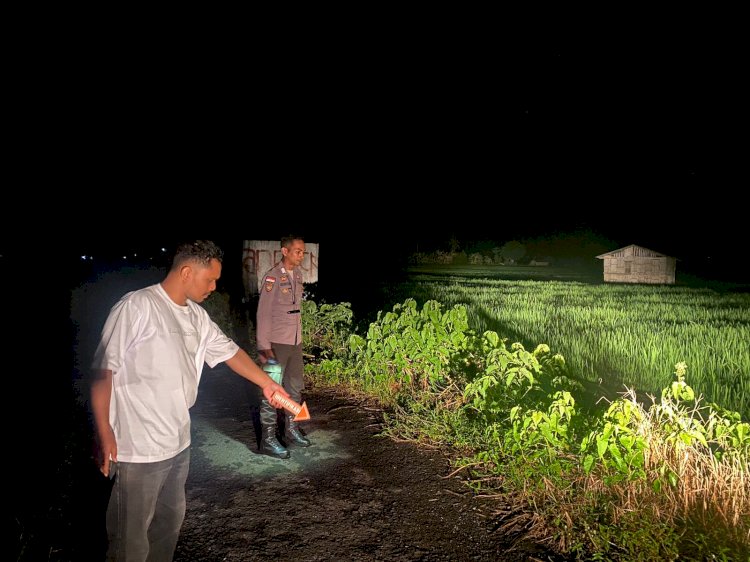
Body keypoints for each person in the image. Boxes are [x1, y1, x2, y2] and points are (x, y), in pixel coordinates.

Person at [90, 240, 288, 561]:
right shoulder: (138, 307)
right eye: (209, 280)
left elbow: (230, 352)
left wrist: (267, 383)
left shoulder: (197, 317)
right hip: (139, 447)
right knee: (131, 539)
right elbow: (103, 371)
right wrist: (104, 432)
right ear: (186, 272)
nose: (213, 287)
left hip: (178, 442)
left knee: (168, 525)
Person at [256, 235, 310, 458]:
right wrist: (263, 346)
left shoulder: (297, 275)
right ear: (285, 251)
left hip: (294, 342)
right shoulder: (272, 278)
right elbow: (263, 313)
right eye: (297, 251)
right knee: (272, 391)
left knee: (295, 388)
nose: (301, 255)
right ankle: (268, 439)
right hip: (275, 344)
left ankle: (291, 429)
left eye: (303, 252)